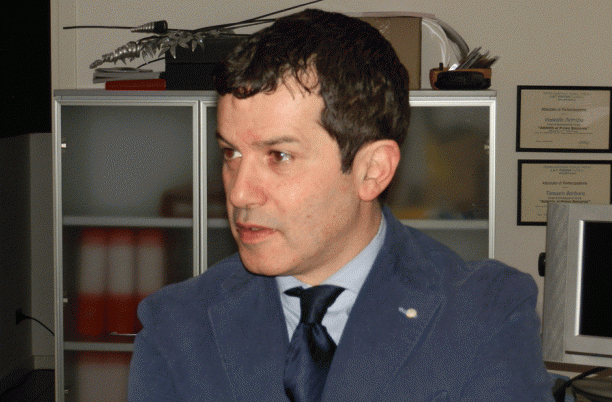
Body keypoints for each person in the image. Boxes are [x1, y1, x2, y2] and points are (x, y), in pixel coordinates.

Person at [128, 9, 553, 401]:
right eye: (231, 153)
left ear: (373, 170)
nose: (239, 193)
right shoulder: (176, 327)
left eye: (279, 156)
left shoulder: (485, 315)